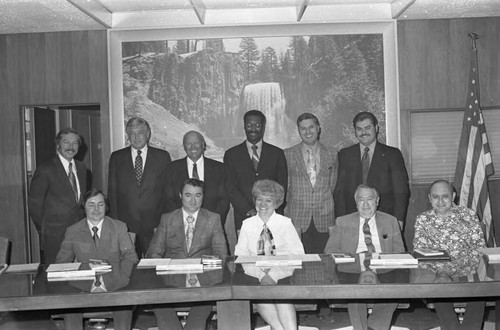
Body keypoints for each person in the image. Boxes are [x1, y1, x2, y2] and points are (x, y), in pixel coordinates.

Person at [146, 178, 227, 330]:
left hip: (204, 278)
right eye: (188, 195)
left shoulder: (213, 218)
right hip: (171, 277)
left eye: (198, 195)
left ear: (203, 197)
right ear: (180, 195)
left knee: (202, 307)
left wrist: (206, 269)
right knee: (160, 303)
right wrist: (166, 268)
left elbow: (221, 253)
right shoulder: (167, 218)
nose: (193, 200)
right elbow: (154, 252)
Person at [56, 189, 138, 330]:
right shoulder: (73, 231)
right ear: (84, 207)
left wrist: (122, 279)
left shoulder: (119, 227)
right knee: (69, 308)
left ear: (106, 207)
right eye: (91, 204)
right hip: (82, 287)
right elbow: (62, 263)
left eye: (100, 204)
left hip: (115, 285)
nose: (96, 209)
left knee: (125, 306)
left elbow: (131, 258)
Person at [325, 184, 404, 330]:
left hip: (384, 269)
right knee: (354, 292)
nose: (366, 204)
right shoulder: (343, 222)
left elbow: (399, 252)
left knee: (392, 291)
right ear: (356, 202)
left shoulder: (390, 221)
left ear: (377, 201)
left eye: (370, 199)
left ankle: (373, 327)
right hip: (351, 269)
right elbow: (330, 251)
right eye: (361, 200)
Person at [413, 180, 486, 330]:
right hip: (436, 272)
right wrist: (442, 271)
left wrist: (449, 268)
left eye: (445, 196)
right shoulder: (423, 219)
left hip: (468, 268)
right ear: (429, 198)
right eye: (435, 197)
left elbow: (478, 249)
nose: (440, 201)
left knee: (480, 289)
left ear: (453, 196)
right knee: (439, 284)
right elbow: (420, 252)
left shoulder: (469, 215)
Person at [235, 179, 304, 330]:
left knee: (282, 298)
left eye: (268, 200)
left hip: (284, 273)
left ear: (276, 203)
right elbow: (240, 256)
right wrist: (261, 276)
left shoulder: (285, 223)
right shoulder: (247, 224)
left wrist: (274, 275)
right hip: (255, 275)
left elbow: (298, 255)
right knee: (262, 297)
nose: (263, 204)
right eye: (259, 199)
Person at [334, 111, 410, 229]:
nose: (363, 132)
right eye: (359, 129)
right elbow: (339, 192)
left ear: (376, 128)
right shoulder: (345, 155)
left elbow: (401, 191)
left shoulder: (392, 154)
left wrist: (398, 219)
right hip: (352, 217)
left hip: (385, 216)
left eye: (367, 128)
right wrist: (340, 220)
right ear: (355, 131)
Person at [108, 117, 171, 257]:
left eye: (140, 132)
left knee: (155, 268)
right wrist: (116, 225)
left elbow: (168, 193)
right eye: (132, 133)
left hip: (155, 225)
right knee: (129, 267)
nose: (136, 137)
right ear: (127, 135)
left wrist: (163, 224)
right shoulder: (117, 158)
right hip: (126, 226)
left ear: (148, 134)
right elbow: (112, 193)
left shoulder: (162, 157)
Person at [28, 128, 89, 264]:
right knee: (57, 275)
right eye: (66, 142)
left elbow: (80, 201)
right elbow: (34, 206)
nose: (70, 147)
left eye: (75, 143)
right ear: (58, 145)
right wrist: (45, 230)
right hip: (55, 235)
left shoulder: (82, 168)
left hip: (80, 232)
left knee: (80, 274)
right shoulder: (45, 169)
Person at [224, 110, 288, 234]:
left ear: (263, 127)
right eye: (249, 125)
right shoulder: (231, 154)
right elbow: (230, 188)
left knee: (274, 251)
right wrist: (248, 210)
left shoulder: (277, 153)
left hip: (272, 215)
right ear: (244, 126)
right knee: (246, 252)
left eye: (257, 125)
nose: (253, 129)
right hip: (244, 215)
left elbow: (282, 186)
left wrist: (268, 208)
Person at [284, 113, 336, 253]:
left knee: (324, 262)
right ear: (299, 131)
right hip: (297, 217)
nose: (308, 132)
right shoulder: (287, 154)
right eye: (303, 128)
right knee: (298, 262)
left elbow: (334, 184)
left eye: (311, 127)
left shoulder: (333, 153)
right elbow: (285, 186)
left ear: (318, 128)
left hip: (325, 216)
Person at [166, 130, 229, 226]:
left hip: (211, 227)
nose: (193, 147)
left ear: (203, 145)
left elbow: (223, 201)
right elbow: (169, 200)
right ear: (184, 146)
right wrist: (182, 223)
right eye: (188, 143)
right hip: (181, 228)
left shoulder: (219, 169)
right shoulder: (172, 169)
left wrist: (212, 223)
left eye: (196, 143)